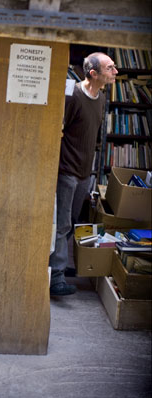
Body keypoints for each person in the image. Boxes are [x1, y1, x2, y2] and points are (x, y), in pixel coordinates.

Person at [49, 52, 118, 296]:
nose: (115, 72)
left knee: (70, 223)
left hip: (84, 173)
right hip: (66, 170)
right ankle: (55, 279)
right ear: (93, 74)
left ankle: (57, 266)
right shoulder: (74, 96)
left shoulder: (100, 98)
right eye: (110, 68)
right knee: (62, 223)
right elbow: (58, 130)